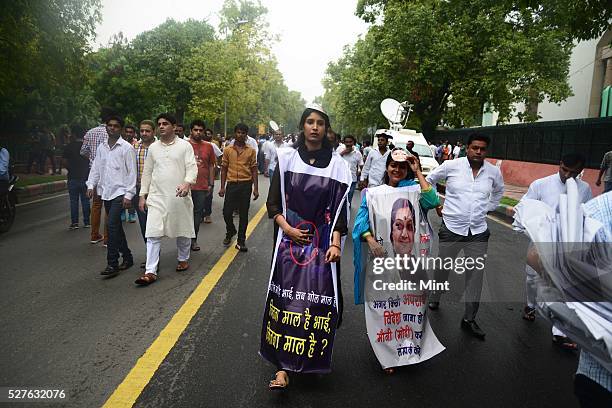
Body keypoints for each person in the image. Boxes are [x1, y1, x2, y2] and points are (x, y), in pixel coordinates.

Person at [261, 104, 351, 389]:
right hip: (288, 247)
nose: (315, 127)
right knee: (285, 302)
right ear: (302, 126)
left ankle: (311, 357)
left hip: (321, 249)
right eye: (310, 122)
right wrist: (288, 230)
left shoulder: (339, 166)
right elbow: (273, 204)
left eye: (320, 123)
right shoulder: (286, 159)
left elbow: (340, 212)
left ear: (326, 129)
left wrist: (335, 244)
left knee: (319, 303)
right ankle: (282, 369)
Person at [353, 148, 443, 373]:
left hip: (414, 268)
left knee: (411, 307)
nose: (397, 169)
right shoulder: (373, 194)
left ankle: (408, 347)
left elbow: (432, 200)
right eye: (393, 165)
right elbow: (360, 223)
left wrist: (418, 171)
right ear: (386, 167)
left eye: (402, 167)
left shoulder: (415, 192)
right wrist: (370, 240)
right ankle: (388, 354)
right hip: (383, 265)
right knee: (386, 308)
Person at [426, 133, 504, 339]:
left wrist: (489, 207)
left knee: (475, 275)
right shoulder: (452, 166)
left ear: (486, 151)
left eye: (482, 149)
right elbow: (429, 179)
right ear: (467, 148)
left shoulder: (493, 172)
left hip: (478, 232)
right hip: (451, 227)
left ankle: (469, 319)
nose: (478, 152)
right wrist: (436, 203)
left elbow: (498, 192)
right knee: (443, 267)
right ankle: (435, 295)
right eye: (475, 148)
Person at [514, 152, 592, 349]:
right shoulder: (541, 185)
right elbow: (524, 207)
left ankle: (560, 332)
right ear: (560, 164)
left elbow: (587, 214)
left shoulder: (585, 189)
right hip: (539, 244)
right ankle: (530, 306)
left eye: (573, 172)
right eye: (564, 169)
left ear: (580, 171)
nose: (567, 175)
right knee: (532, 279)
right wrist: (528, 229)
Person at [136, 113, 197, 285]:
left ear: (174, 126)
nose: (161, 126)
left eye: (165, 123)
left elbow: (192, 167)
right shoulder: (154, 148)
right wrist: (142, 195)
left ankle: (183, 258)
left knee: (182, 229)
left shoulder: (185, 146)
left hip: (179, 195)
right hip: (156, 196)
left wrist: (187, 183)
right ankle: (150, 271)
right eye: (159, 124)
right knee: (153, 233)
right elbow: (147, 173)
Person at [86, 115, 137, 277]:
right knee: (116, 227)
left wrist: (129, 195)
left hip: (120, 193)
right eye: (110, 125)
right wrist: (90, 185)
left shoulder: (126, 148)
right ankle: (128, 257)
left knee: (111, 226)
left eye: (116, 126)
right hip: (105, 192)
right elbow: (95, 168)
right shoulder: (102, 147)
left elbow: (132, 173)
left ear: (120, 129)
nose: (112, 128)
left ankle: (112, 263)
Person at [219, 123, 259, 252]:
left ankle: (241, 240)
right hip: (231, 185)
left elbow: (254, 170)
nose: (240, 135)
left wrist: (256, 188)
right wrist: (222, 187)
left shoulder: (251, 151)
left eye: (243, 133)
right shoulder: (228, 150)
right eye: (238, 132)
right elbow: (224, 169)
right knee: (226, 212)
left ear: (246, 135)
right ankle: (230, 231)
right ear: (235, 133)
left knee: (243, 214)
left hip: (245, 185)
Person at [81, 109, 112, 245]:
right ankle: (107, 238)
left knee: (96, 205)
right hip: (108, 173)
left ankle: (94, 234)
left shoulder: (90, 132)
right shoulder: (111, 133)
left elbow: (83, 151)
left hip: (93, 172)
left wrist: (92, 159)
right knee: (109, 206)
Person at [188, 119, 215, 251]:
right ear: (191, 131)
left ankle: (193, 240)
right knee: (184, 214)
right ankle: (184, 241)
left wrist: (211, 184)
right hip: (185, 186)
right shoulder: (184, 145)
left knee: (197, 214)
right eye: (195, 130)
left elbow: (211, 165)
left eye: (200, 130)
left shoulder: (208, 146)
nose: (198, 132)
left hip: (201, 186)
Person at [132, 119, 156, 268]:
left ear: (153, 132)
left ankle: (153, 258)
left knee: (154, 225)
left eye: (147, 130)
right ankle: (151, 256)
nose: (144, 133)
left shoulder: (160, 147)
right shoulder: (134, 147)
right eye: (142, 131)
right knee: (144, 225)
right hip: (139, 191)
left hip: (155, 191)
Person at [62, 125, 91, 229]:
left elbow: (64, 162)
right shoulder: (87, 146)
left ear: (73, 134)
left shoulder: (69, 146)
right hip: (85, 177)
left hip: (72, 177)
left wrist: (71, 169)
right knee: (85, 200)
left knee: (73, 201)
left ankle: (74, 223)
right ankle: (87, 222)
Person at [202, 128, 223, 224]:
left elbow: (220, 155)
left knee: (208, 195)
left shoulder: (212, 145)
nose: (206, 135)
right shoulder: (193, 144)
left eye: (209, 134)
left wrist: (217, 166)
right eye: (205, 133)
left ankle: (207, 214)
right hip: (197, 175)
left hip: (209, 173)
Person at [337, 135, 363, 206]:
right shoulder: (339, 150)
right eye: (346, 142)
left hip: (352, 180)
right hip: (341, 179)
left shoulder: (357, 153)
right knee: (340, 198)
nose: (348, 144)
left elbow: (361, 165)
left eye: (350, 142)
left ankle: (347, 214)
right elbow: (334, 161)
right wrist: (343, 153)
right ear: (344, 142)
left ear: (354, 142)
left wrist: (361, 177)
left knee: (349, 198)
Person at [122, 124, 138, 223]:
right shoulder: (120, 144)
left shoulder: (136, 144)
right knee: (121, 194)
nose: (128, 134)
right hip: (122, 174)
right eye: (127, 132)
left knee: (131, 194)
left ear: (134, 134)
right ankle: (122, 212)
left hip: (132, 172)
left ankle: (132, 213)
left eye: (130, 132)